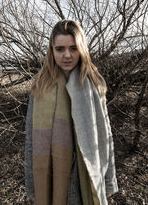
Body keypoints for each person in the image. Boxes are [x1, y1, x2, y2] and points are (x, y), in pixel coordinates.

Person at [25, 20, 118, 205]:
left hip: (86, 173)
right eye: (60, 49)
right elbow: (30, 140)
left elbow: (106, 135)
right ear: (52, 51)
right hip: (53, 174)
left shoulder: (94, 85)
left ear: (81, 49)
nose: (67, 55)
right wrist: (32, 187)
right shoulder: (40, 88)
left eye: (73, 48)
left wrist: (108, 183)